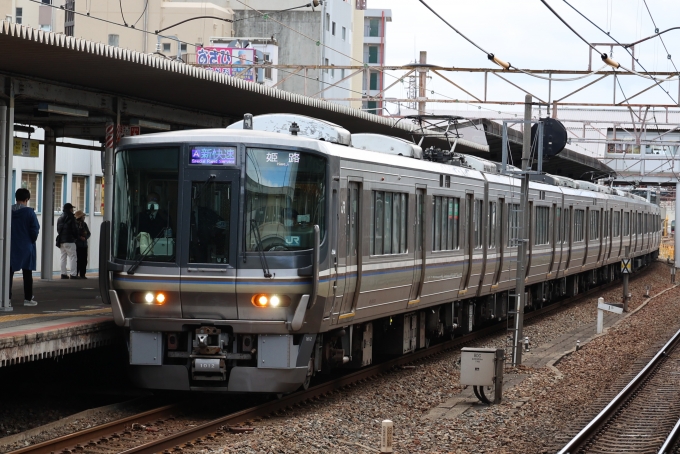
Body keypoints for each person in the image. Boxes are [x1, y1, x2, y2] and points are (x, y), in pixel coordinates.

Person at [10, 188, 40, 306]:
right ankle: (28, 299)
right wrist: (31, 240)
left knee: (8, 272)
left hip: (11, 246)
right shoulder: (29, 212)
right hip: (27, 246)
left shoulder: (8, 210)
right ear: (27, 199)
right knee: (27, 273)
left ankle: (7, 298)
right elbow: (35, 229)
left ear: (16, 198)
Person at [57, 203, 79, 279]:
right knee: (73, 257)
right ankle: (73, 274)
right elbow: (74, 229)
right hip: (70, 240)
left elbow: (58, 230)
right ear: (70, 209)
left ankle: (63, 274)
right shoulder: (71, 217)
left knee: (63, 257)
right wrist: (76, 237)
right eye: (72, 208)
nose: (72, 210)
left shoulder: (60, 218)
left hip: (61, 241)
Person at [74, 210, 91, 279]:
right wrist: (81, 238)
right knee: (78, 260)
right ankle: (77, 273)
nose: (84, 217)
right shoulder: (75, 224)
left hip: (84, 245)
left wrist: (85, 238)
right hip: (78, 245)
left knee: (84, 260)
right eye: (83, 216)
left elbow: (89, 233)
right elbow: (75, 234)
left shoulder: (84, 224)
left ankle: (82, 274)